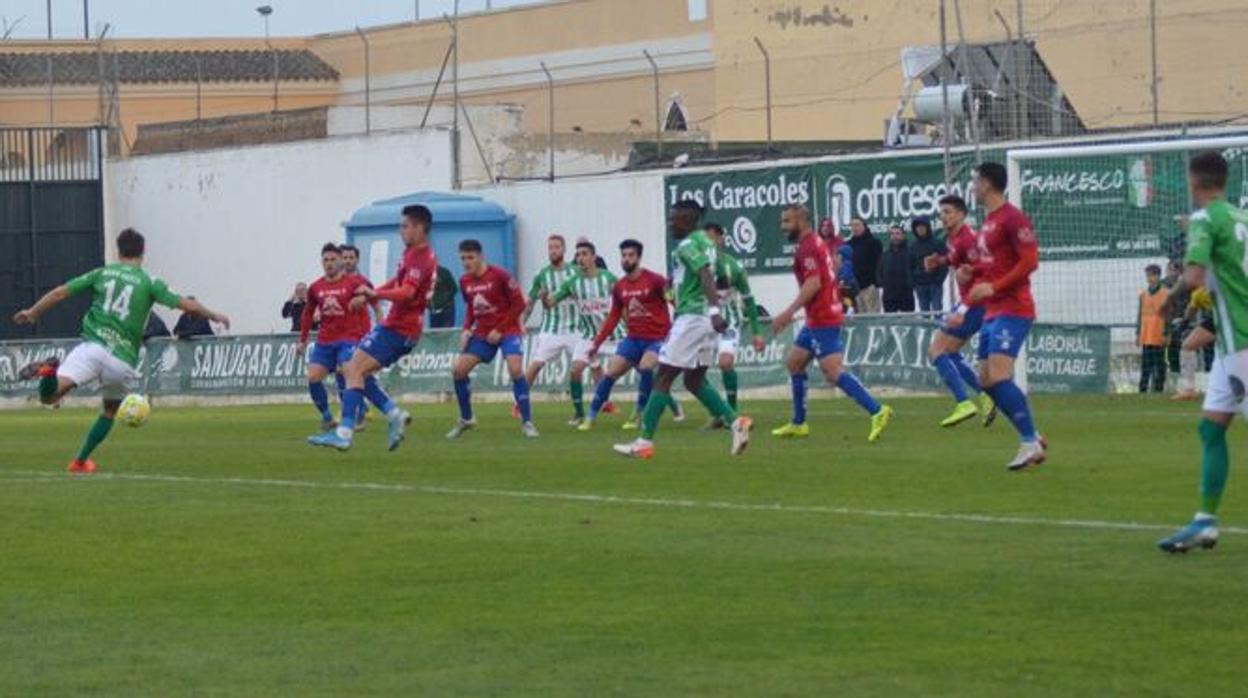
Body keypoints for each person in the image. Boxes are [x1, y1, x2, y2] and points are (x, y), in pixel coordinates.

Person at [12, 228, 230, 474]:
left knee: (49, 397)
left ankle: (49, 372)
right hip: (121, 359)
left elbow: (60, 292)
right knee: (109, 409)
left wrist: (33, 313)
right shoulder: (150, 282)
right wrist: (214, 315)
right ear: (143, 252)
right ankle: (80, 462)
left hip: (92, 347)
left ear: (118, 250)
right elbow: (186, 305)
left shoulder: (102, 273)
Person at [613, 200, 751, 459]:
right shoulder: (709, 244)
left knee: (662, 377)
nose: (670, 224)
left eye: (673, 219)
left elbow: (705, 273)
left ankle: (644, 441)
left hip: (692, 318)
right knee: (693, 380)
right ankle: (736, 423)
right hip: (705, 321)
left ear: (688, 220)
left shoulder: (687, 245)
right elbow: (720, 276)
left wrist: (712, 310)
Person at [1159, 152, 1248, 553]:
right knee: (1211, 428)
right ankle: (1205, 521)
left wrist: (1170, 299)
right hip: (1231, 344)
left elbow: (1192, 274)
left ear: (1194, 183)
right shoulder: (1240, 217)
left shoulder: (1204, 218)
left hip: (1242, 343)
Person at [307, 205, 437, 453]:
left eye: (405, 226)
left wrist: (375, 293)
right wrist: (371, 294)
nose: (401, 231)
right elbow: (399, 282)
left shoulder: (421, 257)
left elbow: (408, 292)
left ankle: (344, 432)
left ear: (419, 228)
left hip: (401, 328)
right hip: (400, 328)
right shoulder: (412, 253)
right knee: (360, 373)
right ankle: (394, 414)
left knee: (352, 369)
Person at [769, 205, 893, 442]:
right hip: (818, 315)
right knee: (795, 363)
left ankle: (877, 410)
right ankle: (798, 423)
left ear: (802, 221)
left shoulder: (807, 247)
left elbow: (813, 283)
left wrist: (788, 312)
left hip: (823, 317)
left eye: (787, 221)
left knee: (833, 372)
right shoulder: (815, 242)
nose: (782, 226)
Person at [965, 161, 1046, 471]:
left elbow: (1029, 262)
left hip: (1013, 308)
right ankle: (1032, 434)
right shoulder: (989, 221)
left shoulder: (1013, 218)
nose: (973, 186)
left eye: (975, 181)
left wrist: (993, 287)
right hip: (992, 311)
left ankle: (1029, 441)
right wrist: (970, 274)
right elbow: (992, 265)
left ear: (986, 183)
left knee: (999, 374)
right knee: (985, 380)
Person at [580, 239, 683, 431]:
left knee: (646, 367)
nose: (626, 259)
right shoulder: (620, 286)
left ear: (639, 257)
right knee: (610, 372)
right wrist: (597, 343)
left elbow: (675, 303)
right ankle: (590, 416)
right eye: (624, 256)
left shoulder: (655, 280)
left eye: (630, 255)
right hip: (633, 339)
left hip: (657, 339)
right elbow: (613, 316)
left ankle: (638, 414)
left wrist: (678, 330)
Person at [447, 239, 537, 439]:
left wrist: (500, 328)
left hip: (507, 330)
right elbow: (471, 307)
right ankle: (466, 418)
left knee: (515, 369)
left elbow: (519, 305)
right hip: (482, 333)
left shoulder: (500, 275)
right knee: (458, 371)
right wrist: (465, 329)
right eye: (463, 258)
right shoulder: (464, 281)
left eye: (470, 257)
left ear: (481, 257)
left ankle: (527, 422)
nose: (466, 262)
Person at [923, 195, 995, 428]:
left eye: (948, 212)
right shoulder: (953, 238)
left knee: (936, 350)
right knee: (950, 352)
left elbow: (984, 272)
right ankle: (985, 394)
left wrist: (963, 307)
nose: (943, 217)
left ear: (962, 214)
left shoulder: (968, 238)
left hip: (974, 304)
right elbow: (957, 259)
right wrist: (939, 261)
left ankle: (964, 403)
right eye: (941, 212)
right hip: (971, 303)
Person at [297, 243, 380, 432]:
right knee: (315, 376)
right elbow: (308, 313)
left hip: (353, 337)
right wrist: (302, 340)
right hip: (326, 341)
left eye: (333, 259)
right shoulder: (316, 287)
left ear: (343, 261)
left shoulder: (357, 282)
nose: (329, 263)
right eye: (326, 260)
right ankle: (330, 416)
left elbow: (375, 301)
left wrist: (379, 328)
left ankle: (358, 414)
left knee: (350, 372)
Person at [543, 240, 620, 426]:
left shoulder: (608, 278)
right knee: (575, 370)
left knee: (643, 368)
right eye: (578, 255)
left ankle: (667, 406)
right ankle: (579, 414)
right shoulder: (573, 283)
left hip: (614, 335)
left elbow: (624, 302)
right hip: (589, 337)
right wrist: (545, 299)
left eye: (585, 254)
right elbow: (551, 304)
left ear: (594, 257)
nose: (580, 258)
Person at [703, 222, 765, 424]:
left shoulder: (734, 266)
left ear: (721, 239)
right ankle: (717, 412)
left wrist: (756, 332)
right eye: (705, 239)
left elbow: (748, 299)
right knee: (695, 372)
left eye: (713, 238)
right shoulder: (696, 266)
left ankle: (731, 411)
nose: (709, 243)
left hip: (729, 323)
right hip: (704, 325)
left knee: (726, 362)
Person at [523, 234, 580, 405]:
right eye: (550, 248)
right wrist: (521, 323)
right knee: (536, 365)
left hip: (574, 328)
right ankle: (520, 402)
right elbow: (530, 302)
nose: (553, 251)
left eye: (557, 247)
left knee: (592, 364)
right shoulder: (542, 274)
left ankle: (605, 402)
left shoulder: (575, 272)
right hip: (551, 329)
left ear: (564, 249)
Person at [1137, 263, 1170, 393]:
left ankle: (1159, 390)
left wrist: (1167, 332)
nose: (1149, 278)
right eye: (1148, 275)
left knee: (1159, 365)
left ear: (1158, 276)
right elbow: (1140, 315)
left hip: (1159, 335)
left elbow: (1168, 314)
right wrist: (1137, 332)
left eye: (1152, 275)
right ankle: (1142, 390)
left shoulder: (1165, 293)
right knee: (1145, 365)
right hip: (1146, 335)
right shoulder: (1143, 295)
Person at [909, 215, 947, 314]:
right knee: (924, 315)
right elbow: (909, 266)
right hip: (920, 286)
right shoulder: (913, 246)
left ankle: (938, 330)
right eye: (917, 227)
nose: (920, 229)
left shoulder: (938, 243)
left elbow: (945, 263)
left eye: (922, 226)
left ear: (927, 227)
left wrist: (938, 280)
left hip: (935, 285)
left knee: (937, 313)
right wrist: (915, 283)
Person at [847, 216, 882, 313]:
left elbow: (879, 265)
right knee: (859, 320)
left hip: (870, 287)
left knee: (873, 319)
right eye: (852, 225)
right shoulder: (849, 245)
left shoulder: (874, 243)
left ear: (864, 226)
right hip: (855, 289)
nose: (855, 228)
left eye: (857, 225)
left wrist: (875, 283)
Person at [878, 225, 914, 313]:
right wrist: (882, 283)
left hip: (906, 295)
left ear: (903, 235)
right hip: (889, 296)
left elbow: (915, 269)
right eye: (892, 234)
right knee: (890, 323)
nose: (895, 236)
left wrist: (911, 283)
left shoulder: (910, 252)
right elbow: (879, 271)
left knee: (908, 324)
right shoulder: (885, 254)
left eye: (897, 233)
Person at [429, 265, 459, 329]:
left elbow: (454, 288)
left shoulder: (444, 272)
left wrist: (444, 300)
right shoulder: (424, 274)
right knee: (434, 334)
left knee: (446, 334)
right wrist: (428, 305)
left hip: (447, 310)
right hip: (433, 311)